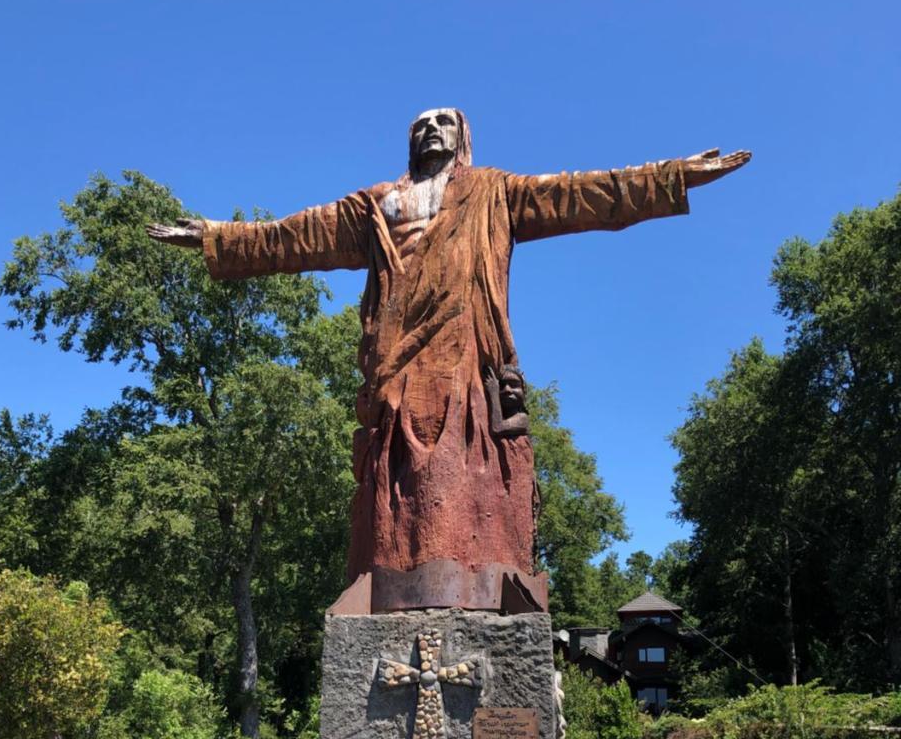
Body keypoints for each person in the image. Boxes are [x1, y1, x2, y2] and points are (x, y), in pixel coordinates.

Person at [148, 109, 749, 611]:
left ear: (463, 137)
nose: (430, 129)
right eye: (419, 124)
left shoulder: (494, 191)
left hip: (465, 350)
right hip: (394, 359)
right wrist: (213, 235)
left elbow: (582, 194)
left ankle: (474, 575)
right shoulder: (375, 206)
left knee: (466, 467)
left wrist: (674, 177)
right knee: (394, 475)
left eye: (443, 121)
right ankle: (392, 574)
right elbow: (291, 236)